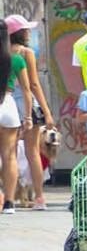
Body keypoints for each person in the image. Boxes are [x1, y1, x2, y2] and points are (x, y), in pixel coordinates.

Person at [7, 16, 54, 209]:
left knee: (7, 153)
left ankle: (8, 195)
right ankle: (40, 198)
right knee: (32, 151)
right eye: (26, 30)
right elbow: (34, 85)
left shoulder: (4, 53)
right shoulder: (26, 53)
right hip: (27, 106)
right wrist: (47, 111)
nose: (29, 33)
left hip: (7, 103)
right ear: (19, 33)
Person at [0, 25, 26, 213]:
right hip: (8, 104)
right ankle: (9, 202)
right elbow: (27, 88)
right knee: (9, 156)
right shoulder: (15, 58)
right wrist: (28, 116)